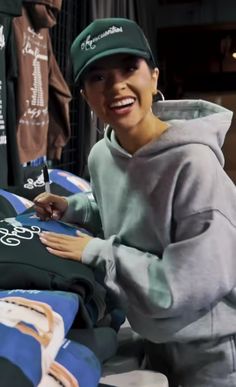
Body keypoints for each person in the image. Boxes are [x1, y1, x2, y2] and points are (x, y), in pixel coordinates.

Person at [34, 18, 236, 387]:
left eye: (129, 68)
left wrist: (97, 252)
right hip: (153, 334)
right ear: (84, 96)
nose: (116, 86)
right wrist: (73, 208)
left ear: (154, 77)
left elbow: (186, 284)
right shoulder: (100, 156)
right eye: (97, 77)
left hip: (212, 350)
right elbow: (116, 213)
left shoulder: (194, 166)